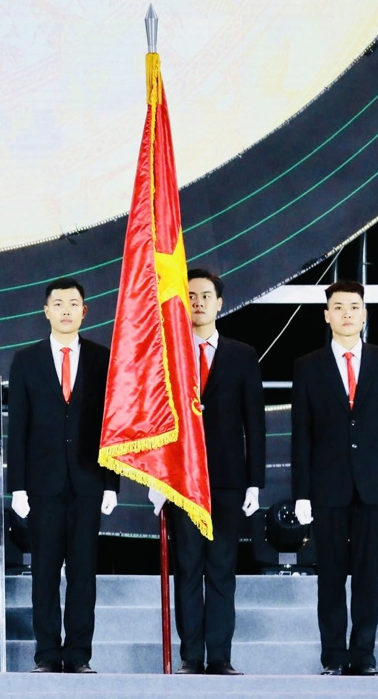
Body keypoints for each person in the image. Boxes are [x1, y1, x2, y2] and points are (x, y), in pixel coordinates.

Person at [151, 269, 266, 676]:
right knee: (188, 568)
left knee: (221, 568)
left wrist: (256, 480)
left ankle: (220, 656)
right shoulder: (168, 354)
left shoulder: (242, 354)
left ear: (220, 303)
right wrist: (157, 477)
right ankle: (190, 657)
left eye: (205, 296)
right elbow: (156, 419)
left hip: (229, 480)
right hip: (182, 478)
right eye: (191, 295)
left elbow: (255, 421)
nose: (197, 302)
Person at [291, 280, 378, 676]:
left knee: (368, 576)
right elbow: (301, 434)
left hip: (374, 485)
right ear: (326, 315)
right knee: (331, 577)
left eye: (353, 307)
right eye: (338, 307)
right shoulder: (307, 366)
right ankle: (334, 657)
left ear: (365, 313)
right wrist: (301, 493)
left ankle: (364, 656)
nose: (346, 314)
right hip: (327, 486)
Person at [7, 277, 119, 673]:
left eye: (74, 304)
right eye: (59, 304)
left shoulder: (104, 358)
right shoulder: (26, 360)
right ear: (46, 311)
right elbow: (17, 426)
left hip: (89, 480)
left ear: (85, 311)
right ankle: (46, 655)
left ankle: (78, 655)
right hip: (42, 484)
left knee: (84, 574)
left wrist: (112, 482)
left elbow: (112, 424)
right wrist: (16, 485)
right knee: (45, 573)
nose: (67, 310)